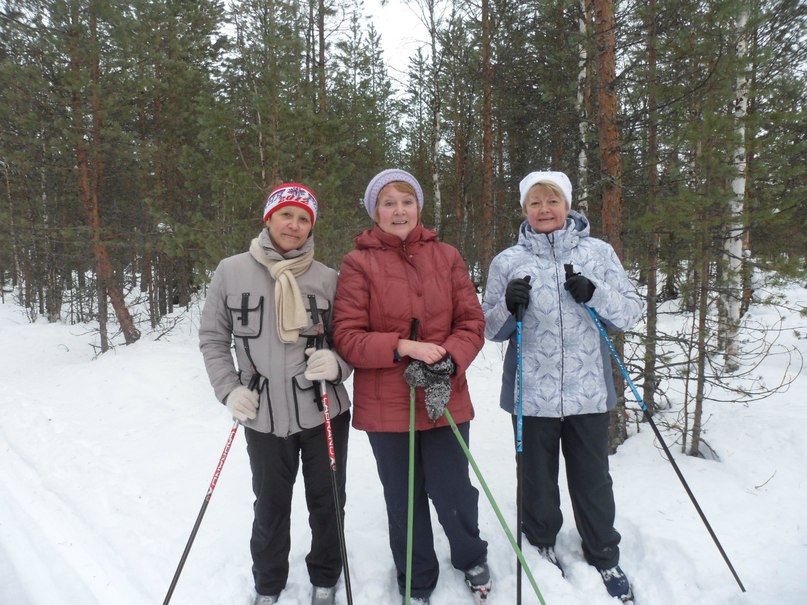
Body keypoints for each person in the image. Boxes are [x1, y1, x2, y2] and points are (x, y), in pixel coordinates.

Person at [482, 171, 642, 603]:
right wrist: (507, 304)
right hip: (530, 393)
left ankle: (604, 552)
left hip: (588, 390)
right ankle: (540, 542)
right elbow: (488, 329)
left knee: (592, 480)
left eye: (553, 201)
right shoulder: (507, 261)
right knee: (536, 479)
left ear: (568, 206)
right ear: (524, 210)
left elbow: (630, 312)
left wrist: (595, 292)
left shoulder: (598, 252)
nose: (545, 210)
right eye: (535, 203)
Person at [332, 169, 490, 605]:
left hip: (444, 394)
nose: (398, 210)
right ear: (374, 211)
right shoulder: (358, 263)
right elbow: (347, 336)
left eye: (406, 200)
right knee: (403, 498)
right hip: (387, 403)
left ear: (418, 207)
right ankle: (416, 575)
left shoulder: (447, 256)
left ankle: (470, 554)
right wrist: (402, 346)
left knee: (453, 489)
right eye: (388, 202)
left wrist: (449, 357)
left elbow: (472, 322)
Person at [199, 183, 352, 605]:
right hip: (262, 412)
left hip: (322, 409)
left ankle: (326, 576)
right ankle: (268, 584)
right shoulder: (230, 271)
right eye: (287, 215)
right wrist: (229, 390)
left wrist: (337, 364)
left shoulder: (327, 278)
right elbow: (213, 337)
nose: (295, 225)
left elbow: (348, 340)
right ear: (269, 218)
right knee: (270, 504)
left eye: (304, 219)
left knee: (328, 501)